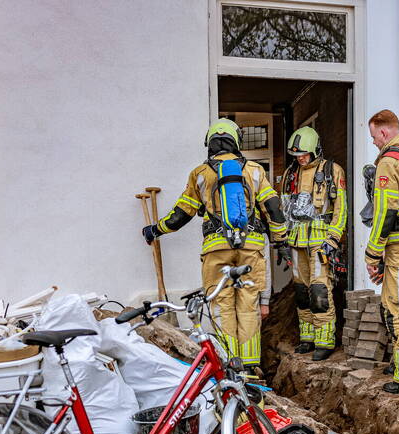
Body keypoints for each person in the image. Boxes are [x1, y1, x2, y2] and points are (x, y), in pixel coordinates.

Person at [141, 118, 286, 373]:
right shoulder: (254, 170)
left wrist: (156, 229)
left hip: (216, 248)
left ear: (210, 143)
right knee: (249, 306)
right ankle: (252, 369)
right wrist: (280, 239)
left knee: (221, 306)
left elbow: (181, 214)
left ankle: (232, 366)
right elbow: (273, 207)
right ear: (236, 141)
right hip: (250, 246)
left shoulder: (200, 174)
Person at [279, 126, 347, 361]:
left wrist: (333, 239)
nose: (301, 158)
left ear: (316, 149)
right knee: (301, 292)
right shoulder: (291, 173)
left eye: (304, 154)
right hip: (296, 239)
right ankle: (306, 338)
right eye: (297, 155)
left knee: (319, 290)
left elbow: (341, 209)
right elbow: (285, 208)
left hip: (321, 242)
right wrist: (282, 240)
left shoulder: (331, 170)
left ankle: (325, 341)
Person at [364, 109, 399, 394]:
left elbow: (385, 212)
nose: (373, 143)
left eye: (373, 136)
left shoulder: (390, 161)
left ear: (384, 132)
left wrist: (372, 255)